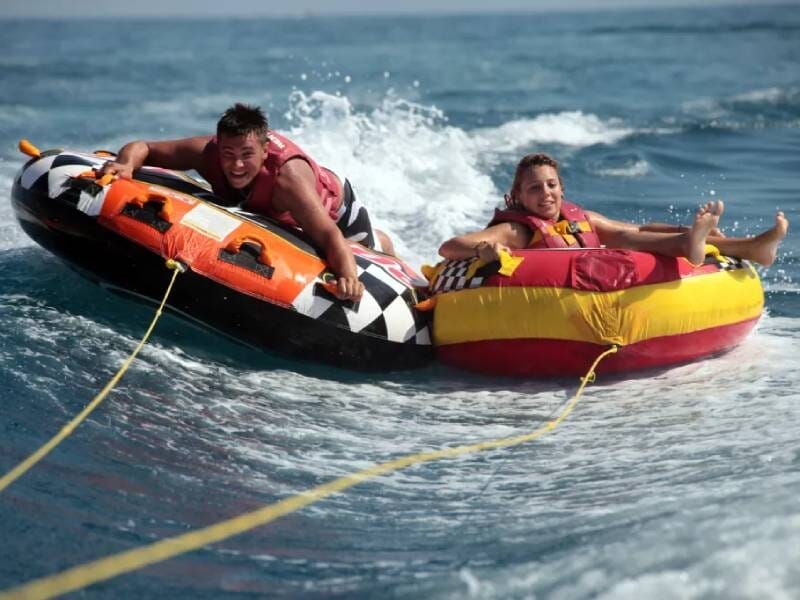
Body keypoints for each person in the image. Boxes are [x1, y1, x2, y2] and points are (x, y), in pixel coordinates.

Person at [98, 103, 394, 302]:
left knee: (369, 249)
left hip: (337, 210)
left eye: (247, 155)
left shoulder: (287, 181)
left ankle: (383, 242)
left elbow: (329, 234)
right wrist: (125, 164)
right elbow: (143, 147)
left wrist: (348, 277)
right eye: (228, 154)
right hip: (272, 212)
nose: (237, 165)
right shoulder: (206, 153)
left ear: (265, 151)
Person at [439, 153, 789, 267]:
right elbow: (449, 247)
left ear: (562, 188)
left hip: (597, 264)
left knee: (631, 234)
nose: (546, 194)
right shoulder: (518, 230)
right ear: (518, 196)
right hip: (550, 292)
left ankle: (751, 247)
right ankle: (693, 244)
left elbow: (634, 232)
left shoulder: (581, 219)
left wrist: (688, 229)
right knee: (629, 239)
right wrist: (487, 249)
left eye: (551, 185)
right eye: (534, 188)